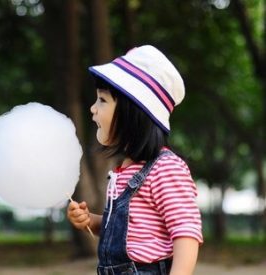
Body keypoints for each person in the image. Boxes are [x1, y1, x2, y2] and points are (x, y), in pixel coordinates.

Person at [67, 45, 203, 275]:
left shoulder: (165, 168)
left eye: (102, 100)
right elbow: (129, 229)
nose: (92, 108)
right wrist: (90, 220)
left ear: (133, 112)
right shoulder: (124, 171)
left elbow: (186, 233)